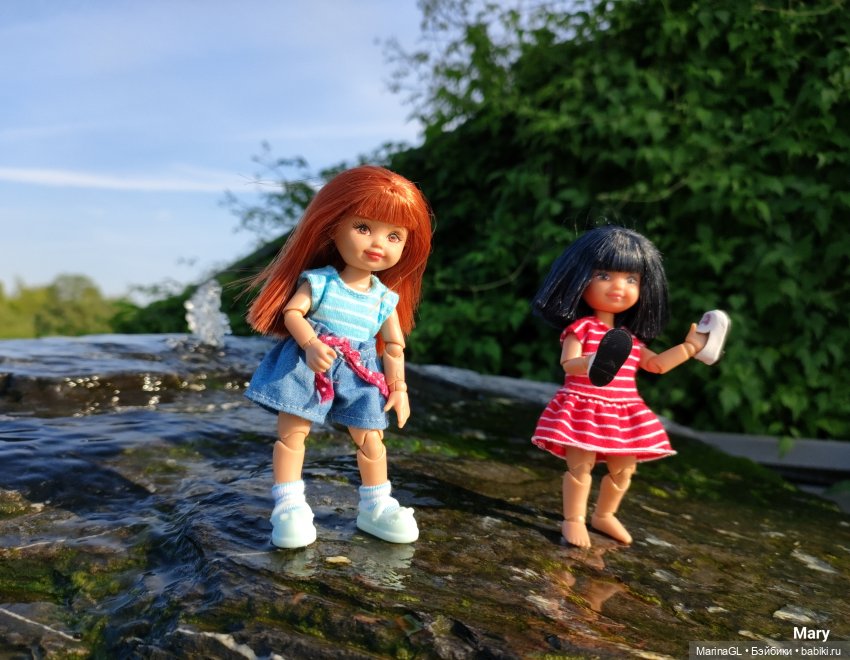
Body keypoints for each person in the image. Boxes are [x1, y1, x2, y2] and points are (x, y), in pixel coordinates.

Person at [244, 165, 432, 549]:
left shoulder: (384, 298)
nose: (378, 243)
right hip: (310, 360)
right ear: (333, 227)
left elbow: (393, 346)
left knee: (371, 438)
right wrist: (311, 344)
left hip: (361, 369)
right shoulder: (322, 281)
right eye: (363, 228)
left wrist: (398, 386)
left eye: (394, 236)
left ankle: (376, 505)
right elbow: (293, 313)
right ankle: (289, 505)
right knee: (293, 434)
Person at [531, 225, 729, 548]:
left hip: (622, 410)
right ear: (579, 280)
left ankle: (604, 514)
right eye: (604, 276)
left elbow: (656, 365)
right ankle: (573, 519)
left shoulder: (629, 340)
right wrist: (592, 363)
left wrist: (690, 348)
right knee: (581, 465)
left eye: (631, 279)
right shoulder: (581, 329)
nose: (618, 287)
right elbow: (568, 364)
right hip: (584, 405)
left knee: (624, 469)